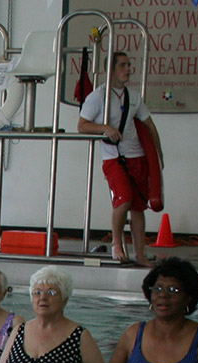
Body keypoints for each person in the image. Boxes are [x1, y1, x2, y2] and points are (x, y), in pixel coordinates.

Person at [77, 50, 163, 266]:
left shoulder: (134, 96)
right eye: (123, 66)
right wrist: (105, 127)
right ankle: (117, 243)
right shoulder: (97, 97)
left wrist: (157, 155)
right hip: (114, 158)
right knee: (123, 199)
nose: (128, 70)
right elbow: (82, 126)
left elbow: (149, 125)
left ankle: (140, 254)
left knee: (138, 207)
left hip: (138, 156)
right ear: (111, 70)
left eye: (129, 65)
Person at [0, 266, 104, 363]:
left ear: (65, 299)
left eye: (51, 293)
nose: (43, 297)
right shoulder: (19, 331)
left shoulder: (80, 336)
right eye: (37, 292)